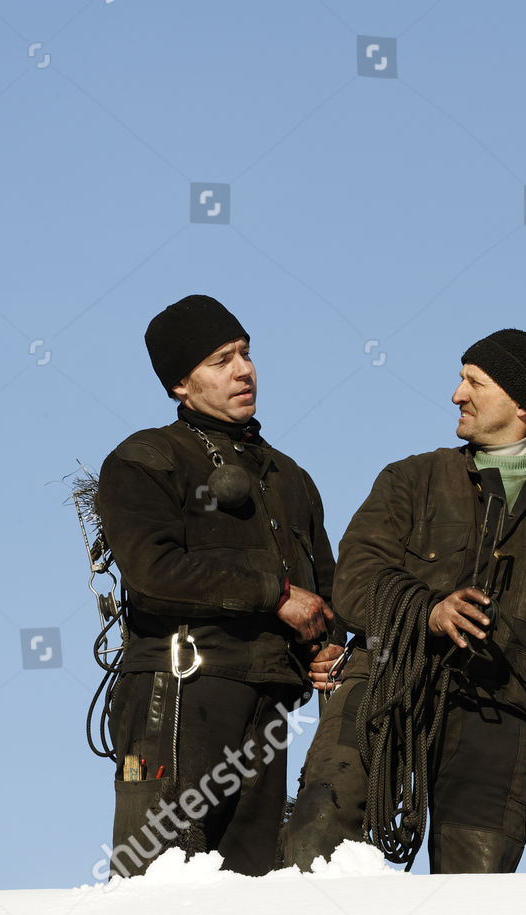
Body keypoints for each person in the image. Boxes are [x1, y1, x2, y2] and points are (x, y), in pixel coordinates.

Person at [279, 328, 526, 874]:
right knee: (317, 846)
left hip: (500, 710)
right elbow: (353, 583)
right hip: (381, 684)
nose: (457, 394)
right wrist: (427, 611)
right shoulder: (412, 478)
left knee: (475, 889)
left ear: (521, 406)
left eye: (473, 382)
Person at [94, 293, 341, 878]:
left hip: (269, 701)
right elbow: (153, 574)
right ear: (180, 383)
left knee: (250, 890)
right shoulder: (146, 458)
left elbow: (324, 586)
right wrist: (276, 596)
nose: (243, 370)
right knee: (162, 885)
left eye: (246, 353)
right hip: (180, 692)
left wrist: (327, 641)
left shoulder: (290, 476)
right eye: (220, 360)